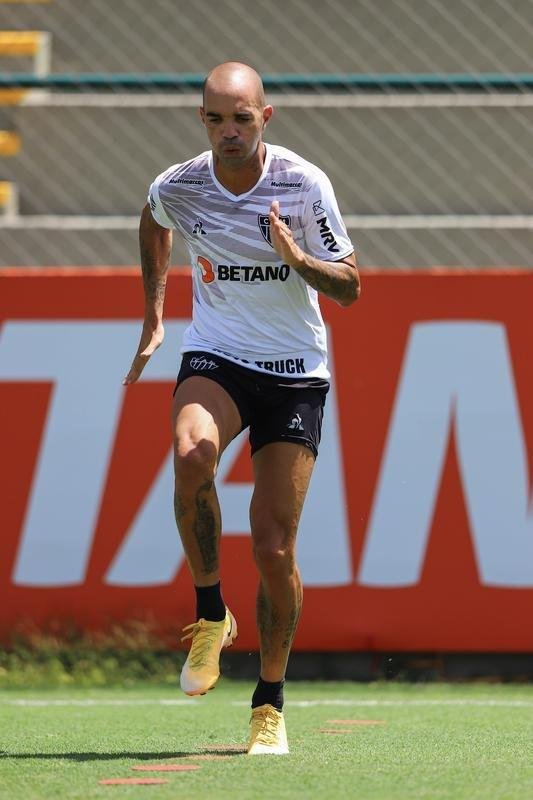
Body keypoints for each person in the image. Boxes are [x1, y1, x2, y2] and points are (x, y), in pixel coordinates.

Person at [124, 61, 360, 755]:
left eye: (241, 118)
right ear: (202, 119)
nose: (228, 131)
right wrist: (154, 316)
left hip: (293, 374)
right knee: (191, 454)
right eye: (215, 119)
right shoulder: (181, 183)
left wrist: (296, 258)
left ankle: (268, 702)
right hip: (218, 356)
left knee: (273, 545)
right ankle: (208, 616)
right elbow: (152, 221)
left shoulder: (301, 183)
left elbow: (348, 288)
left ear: (266, 117)